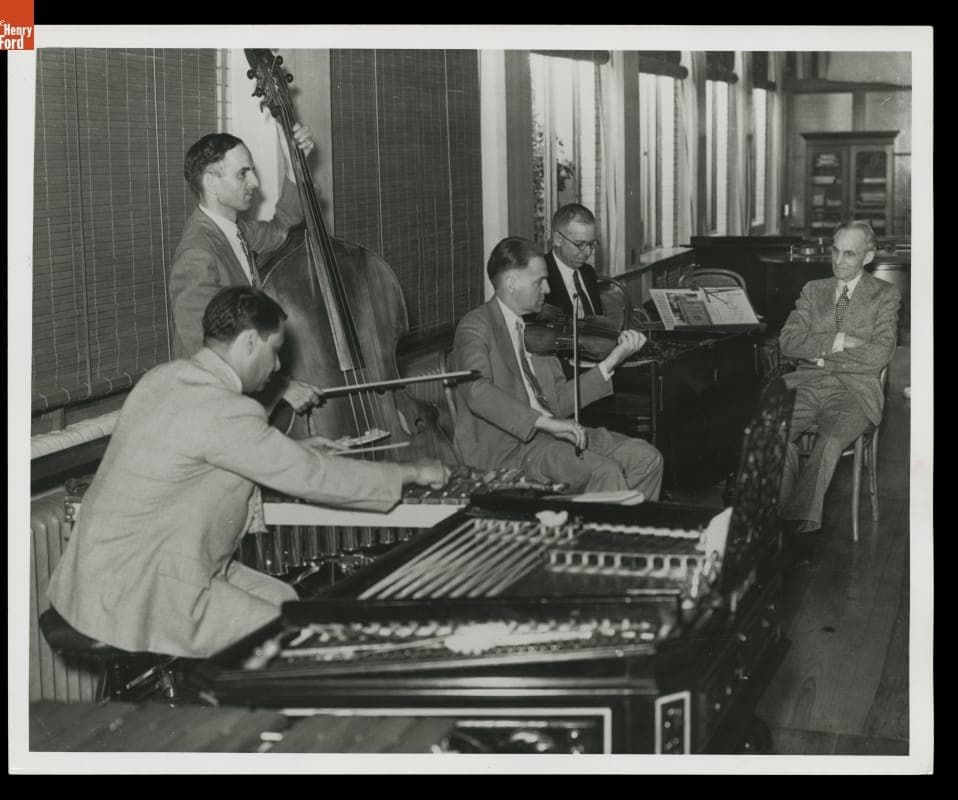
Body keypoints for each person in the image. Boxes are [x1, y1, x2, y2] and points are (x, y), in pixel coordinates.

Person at [47, 286, 449, 659]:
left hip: (97, 577)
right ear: (249, 342)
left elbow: (205, 457)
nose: (277, 366)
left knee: (288, 603)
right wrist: (411, 472)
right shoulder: (226, 409)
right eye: (274, 351)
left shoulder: (165, 378)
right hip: (140, 591)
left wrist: (290, 449)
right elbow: (312, 477)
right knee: (291, 639)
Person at [451, 237, 663, 497]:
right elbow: (476, 391)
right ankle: (603, 532)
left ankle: (610, 529)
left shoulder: (538, 330)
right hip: (512, 448)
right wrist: (544, 423)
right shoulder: (475, 326)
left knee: (647, 458)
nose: (548, 288)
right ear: (511, 283)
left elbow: (560, 401)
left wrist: (612, 361)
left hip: (552, 436)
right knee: (604, 471)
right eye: (539, 281)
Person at [169, 125, 318, 412]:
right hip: (213, 406)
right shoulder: (197, 254)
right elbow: (207, 350)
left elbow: (281, 227)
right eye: (243, 173)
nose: (255, 182)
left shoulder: (236, 231)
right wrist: (280, 386)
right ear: (212, 183)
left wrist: (293, 166)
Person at [777, 221, 900, 549]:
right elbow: (787, 342)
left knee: (830, 440)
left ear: (868, 256)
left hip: (856, 392)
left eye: (850, 254)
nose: (839, 260)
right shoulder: (813, 290)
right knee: (773, 429)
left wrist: (820, 355)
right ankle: (779, 513)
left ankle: (798, 524)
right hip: (806, 383)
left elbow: (878, 355)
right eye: (835, 251)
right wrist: (840, 340)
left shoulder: (886, 295)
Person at [542, 204, 604, 319]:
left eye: (591, 244)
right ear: (558, 239)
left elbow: (599, 322)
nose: (587, 252)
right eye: (580, 244)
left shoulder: (588, 272)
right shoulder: (540, 276)